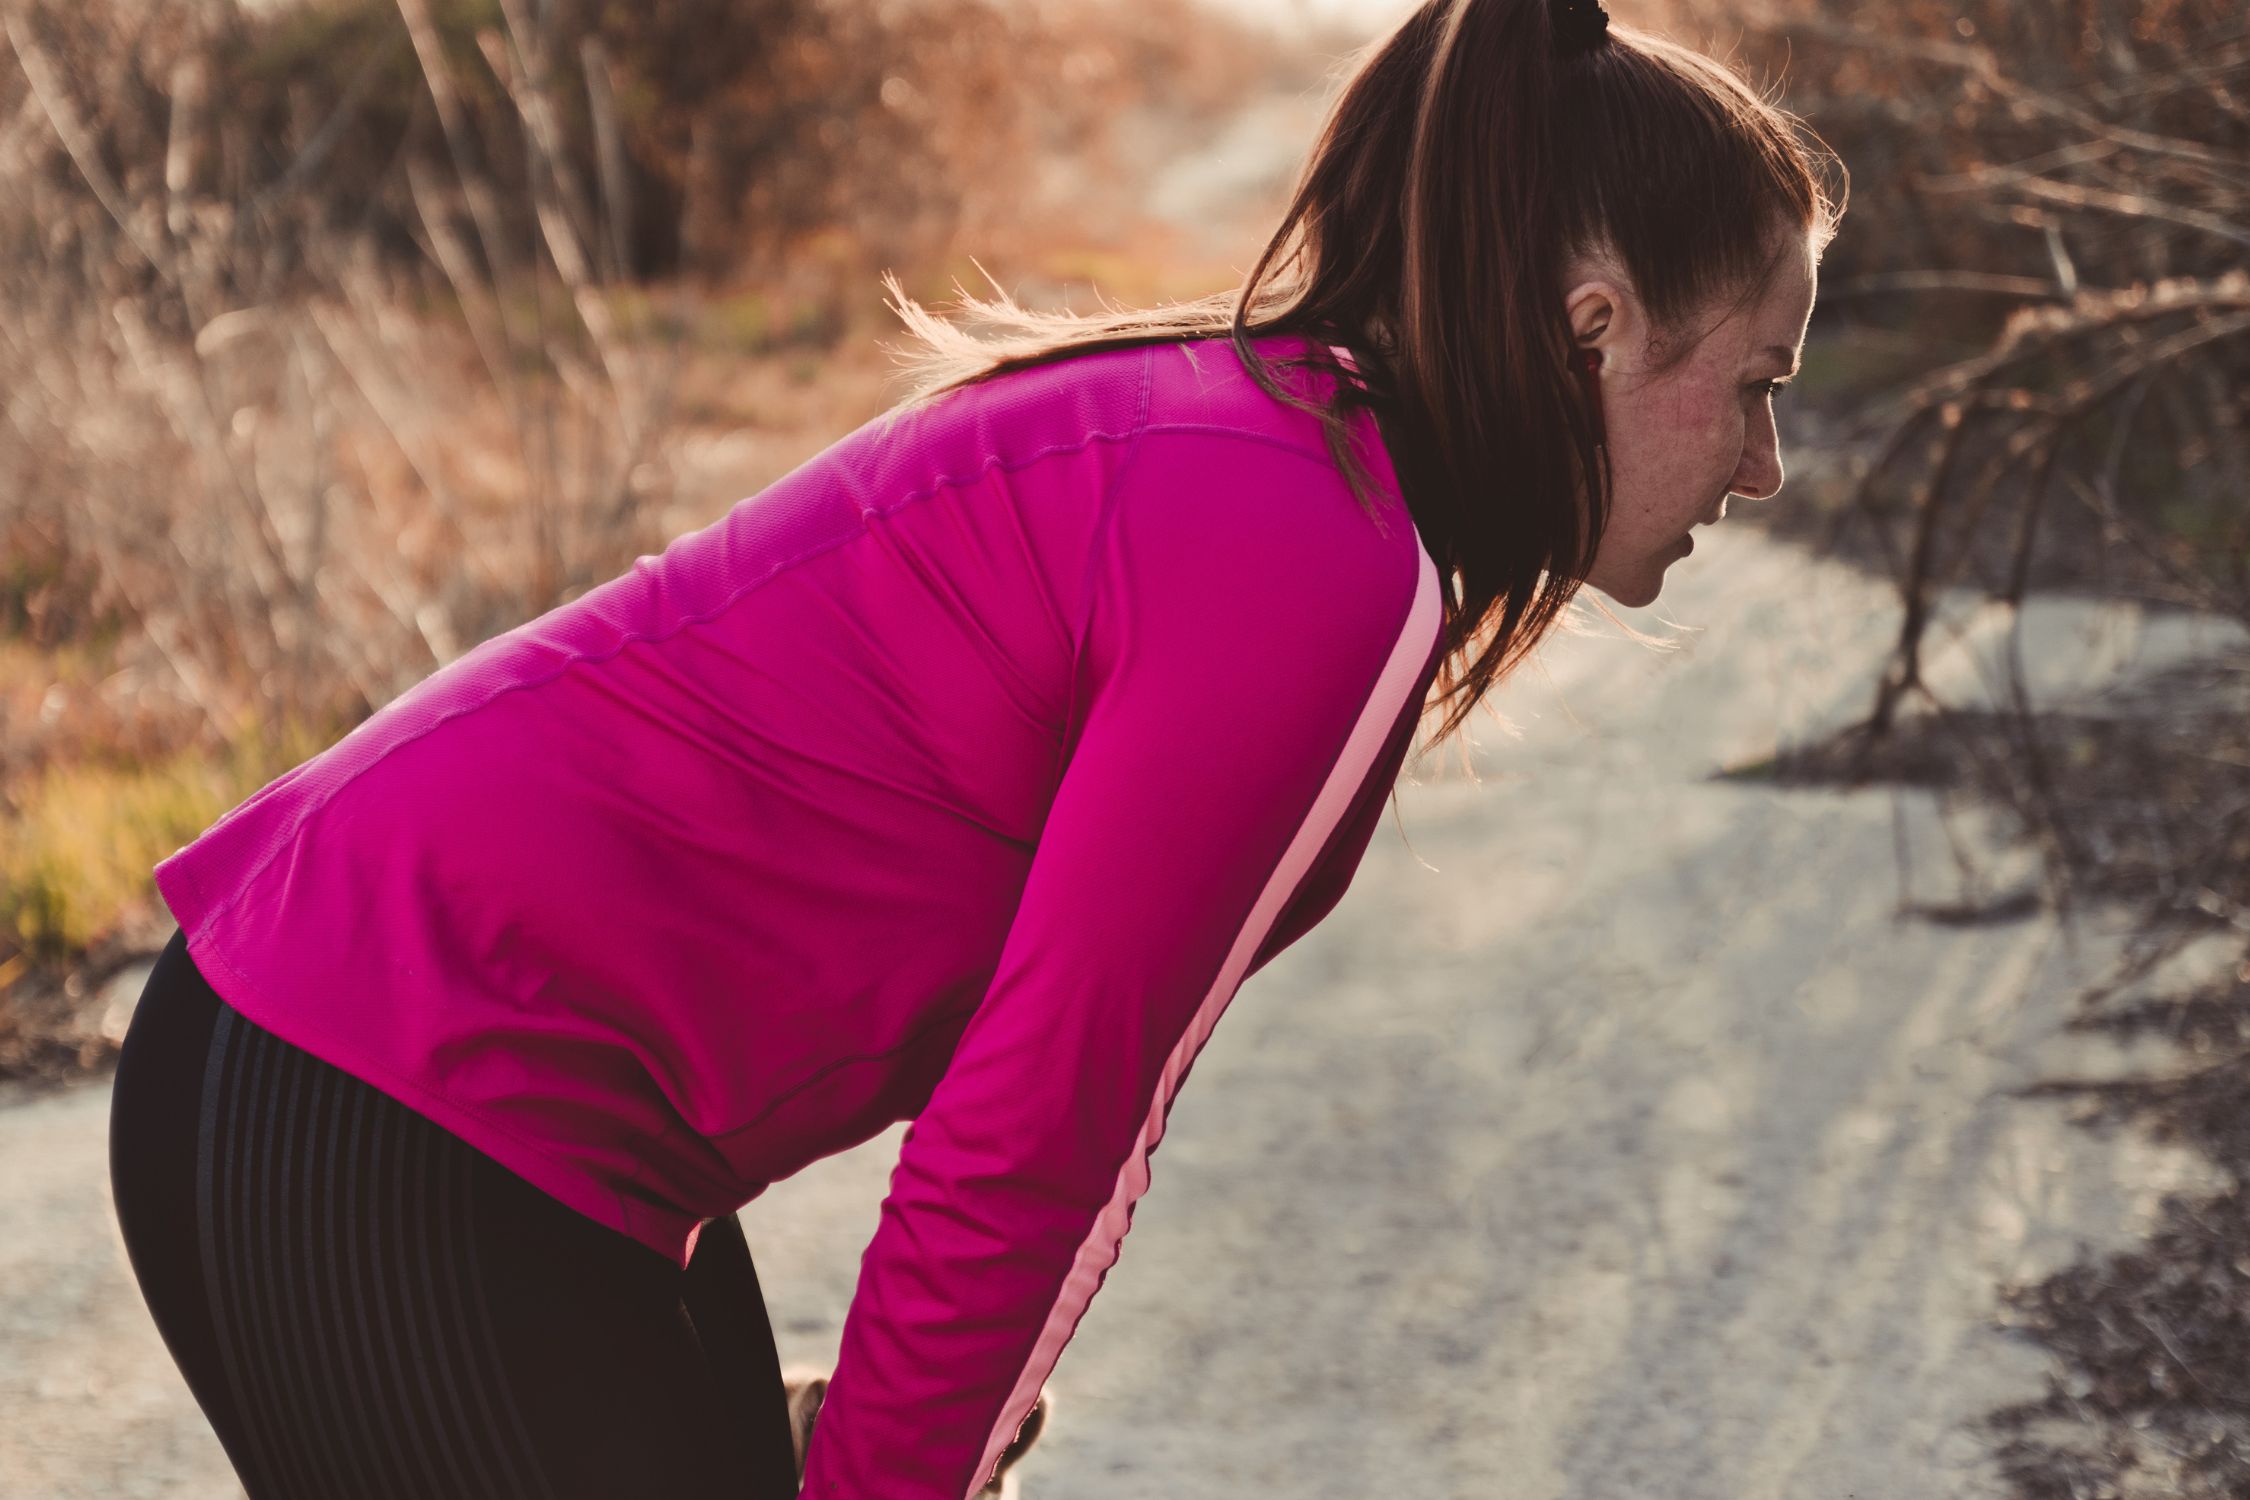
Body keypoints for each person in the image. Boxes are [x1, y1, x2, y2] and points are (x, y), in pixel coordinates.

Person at [106, 0, 1844, 1495]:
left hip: (380, 1068)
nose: (1760, 466)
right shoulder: (1321, 554)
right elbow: (1044, 1131)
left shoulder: (1260, 446)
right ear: (1590, 321)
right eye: (1756, 383)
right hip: (399, 1094)